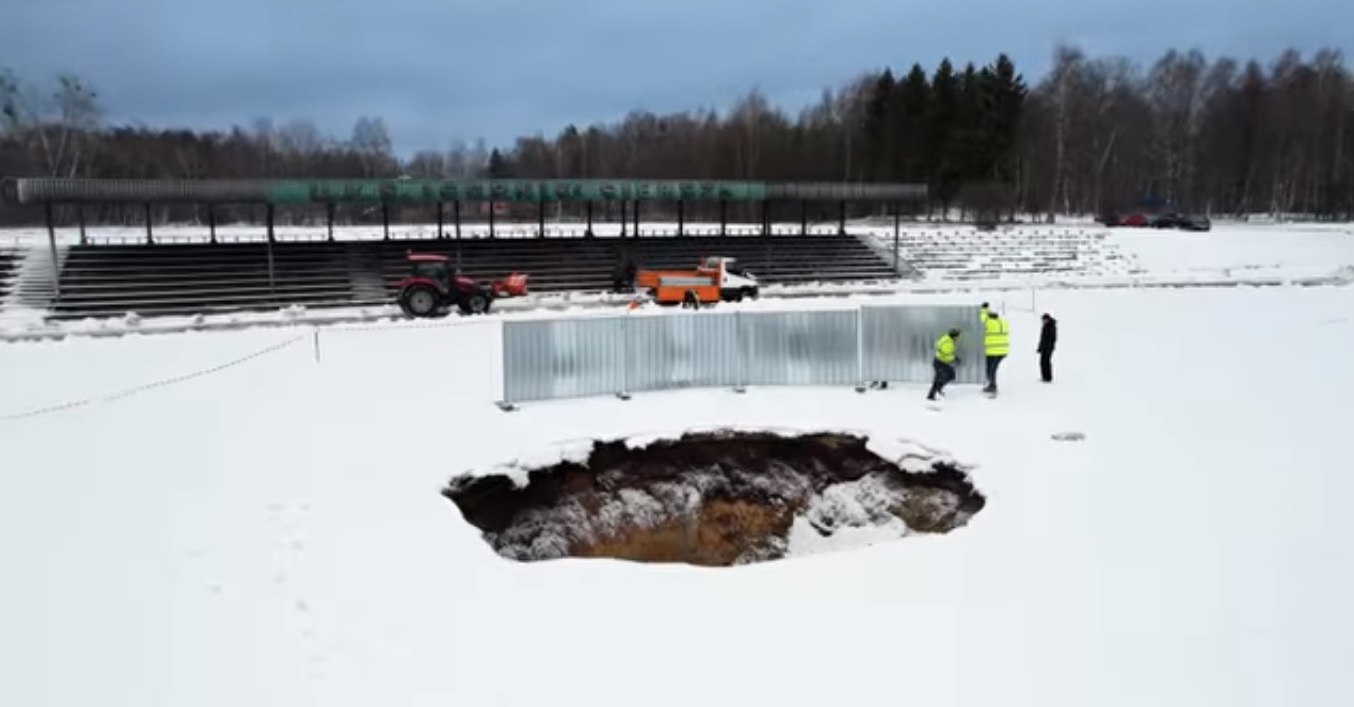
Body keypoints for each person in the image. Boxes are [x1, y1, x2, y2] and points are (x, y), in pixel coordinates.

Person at [979, 302, 1009, 394]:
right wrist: (988, 310)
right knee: (991, 369)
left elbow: (983, 318)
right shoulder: (1003, 322)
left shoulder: (990, 322)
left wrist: (984, 309)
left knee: (991, 370)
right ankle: (991, 384)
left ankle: (993, 386)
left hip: (993, 351)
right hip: (1002, 351)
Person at [926, 328, 961, 401]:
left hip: (940, 362)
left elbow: (937, 345)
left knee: (950, 375)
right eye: (958, 336)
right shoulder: (948, 343)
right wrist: (955, 359)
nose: (958, 337)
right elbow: (947, 356)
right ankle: (931, 395)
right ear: (954, 336)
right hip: (940, 362)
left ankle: (938, 388)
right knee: (939, 379)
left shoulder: (946, 338)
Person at [1037, 313, 1058, 383]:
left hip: (1048, 348)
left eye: (1044, 320)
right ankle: (1044, 376)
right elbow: (1042, 338)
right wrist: (1040, 347)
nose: (1042, 321)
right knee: (1042, 362)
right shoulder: (1045, 326)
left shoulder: (1051, 326)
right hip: (1044, 347)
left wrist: (1049, 347)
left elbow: (1052, 338)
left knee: (1046, 362)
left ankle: (1048, 377)